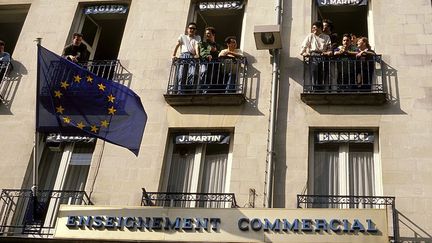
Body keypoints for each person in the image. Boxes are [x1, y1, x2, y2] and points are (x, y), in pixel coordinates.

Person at [300, 21, 332, 91]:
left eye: (314, 28)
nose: (312, 29)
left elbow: (329, 49)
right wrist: (304, 53)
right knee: (314, 72)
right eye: (312, 28)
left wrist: (328, 53)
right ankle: (314, 89)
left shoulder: (326, 37)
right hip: (313, 55)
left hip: (323, 56)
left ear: (320, 28)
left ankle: (321, 90)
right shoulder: (310, 36)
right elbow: (304, 46)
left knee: (323, 73)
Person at [172, 22, 201, 93]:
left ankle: (189, 90)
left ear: (195, 30)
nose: (192, 30)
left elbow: (197, 46)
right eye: (190, 28)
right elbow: (177, 45)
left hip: (192, 57)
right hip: (183, 56)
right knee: (181, 75)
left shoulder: (197, 38)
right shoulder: (183, 36)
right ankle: (180, 91)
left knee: (192, 73)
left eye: (194, 29)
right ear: (187, 29)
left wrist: (197, 54)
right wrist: (173, 55)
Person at [198, 27, 223, 92]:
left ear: (213, 34)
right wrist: (207, 55)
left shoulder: (218, 46)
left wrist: (215, 51)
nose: (206, 35)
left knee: (213, 79)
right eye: (206, 34)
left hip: (215, 66)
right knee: (204, 76)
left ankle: (210, 91)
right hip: (205, 63)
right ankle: (202, 91)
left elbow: (222, 53)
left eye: (208, 33)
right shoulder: (203, 43)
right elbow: (202, 52)